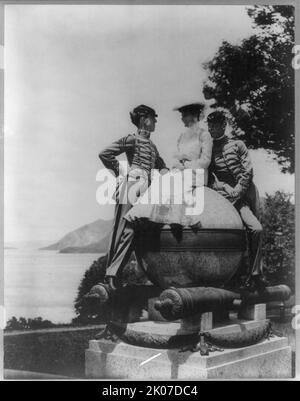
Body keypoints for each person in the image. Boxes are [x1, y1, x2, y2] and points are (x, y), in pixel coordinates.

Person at [85, 105, 168, 304]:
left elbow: (161, 165)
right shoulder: (131, 139)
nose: (155, 121)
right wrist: (120, 172)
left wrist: (165, 171)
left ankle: (116, 274)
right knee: (122, 229)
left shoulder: (153, 145)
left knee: (134, 231)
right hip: (131, 186)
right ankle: (111, 275)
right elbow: (105, 154)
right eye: (152, 118)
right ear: (143, 119)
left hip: (146, 191)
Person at [207, 110, 267, 291]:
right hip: (221, 198)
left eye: (214, 125)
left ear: (223, 125)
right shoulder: (207, 148)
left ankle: (256, 274)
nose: (210, 129)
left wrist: (238, 191)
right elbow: (208, 176)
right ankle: (225, 277)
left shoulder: (238, 145)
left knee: (256, 229)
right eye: (209, 126)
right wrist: (224, 188)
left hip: (242, 198)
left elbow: (248, 171)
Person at [124, 102, 213, 226]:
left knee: (169, 182)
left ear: (193, 116)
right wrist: (177, 167)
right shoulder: (182, 136)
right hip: (181, 172)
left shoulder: (204, 135)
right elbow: (177, 158)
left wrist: (185, 165)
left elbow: (205, 161)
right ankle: (149, 215)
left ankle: (182, 218)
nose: (181, 118)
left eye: (184, 115)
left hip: (196, 174)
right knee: (161, 181)